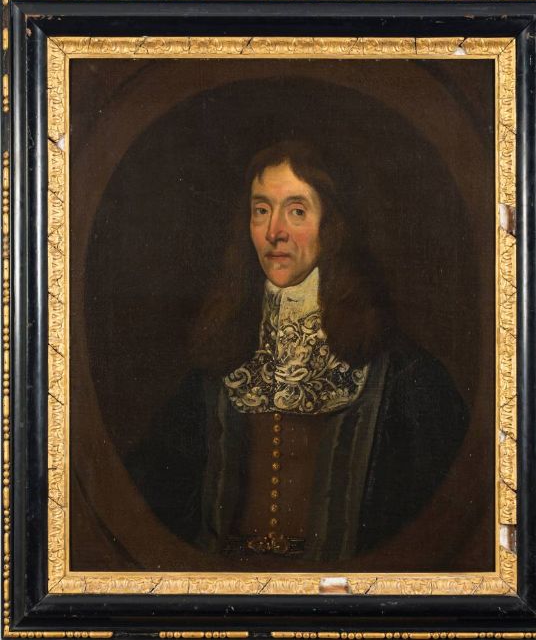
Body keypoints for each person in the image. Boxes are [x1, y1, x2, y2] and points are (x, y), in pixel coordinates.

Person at [126, 140, 468, 567]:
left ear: (332, 225)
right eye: (261, 210)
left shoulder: (401, 373)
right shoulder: (219, 360)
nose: (275, 232)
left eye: (297, 211)